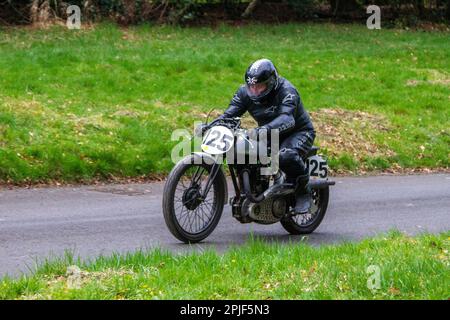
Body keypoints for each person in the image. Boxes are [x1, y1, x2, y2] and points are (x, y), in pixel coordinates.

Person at [211, 58, 316, 214]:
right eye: (252, 86)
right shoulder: (244, 93)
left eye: (260, 86)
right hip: (268, 134)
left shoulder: (287, 91)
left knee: (285, 155)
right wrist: (212, 125)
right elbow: (229, 114)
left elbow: (287, 118)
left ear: (272, 81)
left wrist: (263, 130)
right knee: (242, 153)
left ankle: (303, 192)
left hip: (298, 132)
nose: (255, 91)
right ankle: (253, 190)